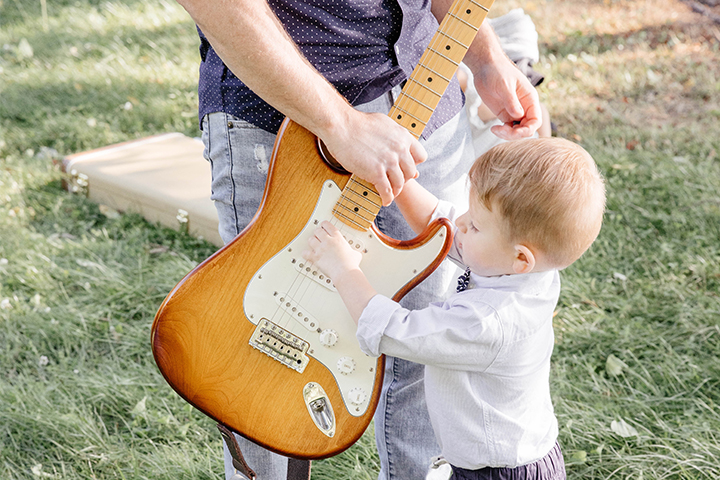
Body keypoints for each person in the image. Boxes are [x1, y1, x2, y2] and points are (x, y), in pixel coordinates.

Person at [174, 0, 544, 478]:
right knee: (259, 370)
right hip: (280, 114)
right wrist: (340, 124)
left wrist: (486, 57)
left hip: (424, 94)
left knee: (431, 352)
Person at [303, 137, 606, 480]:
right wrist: (395, 181)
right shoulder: (519, 269)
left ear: (521, 257)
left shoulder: (488, 322)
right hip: (503, 458)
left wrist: (344, 270)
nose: (460, 223)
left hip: (498, 473)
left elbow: (394, 330)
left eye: (475, 225)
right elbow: (440, 226)